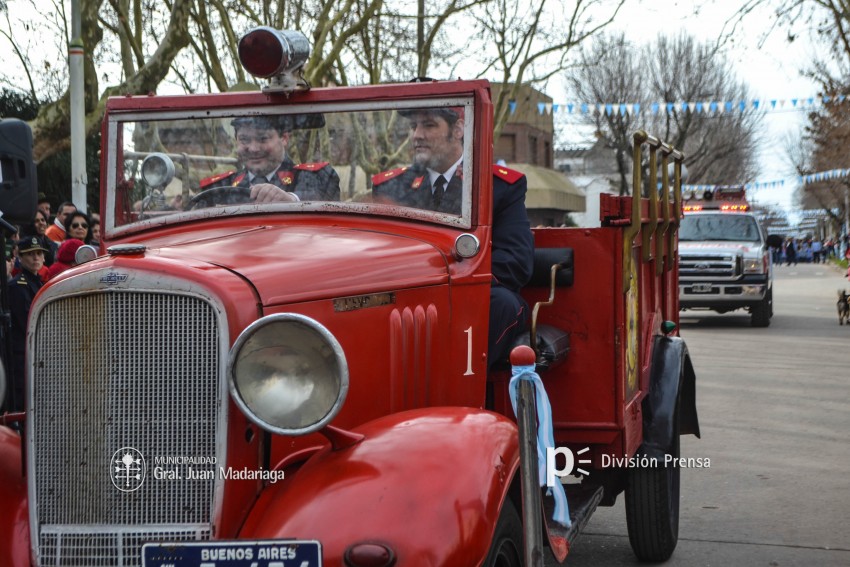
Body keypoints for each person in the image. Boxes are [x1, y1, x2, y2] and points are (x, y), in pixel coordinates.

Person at [373, 106, 534, 369]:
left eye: (429, 125)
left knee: (502, 304)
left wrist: (449, 281)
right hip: (408, 297)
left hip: (466, 295)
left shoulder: (498, 186)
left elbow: (516, 261)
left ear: (458, 130)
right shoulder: (392, 186)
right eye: (414, 127)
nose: (417, 135)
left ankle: (453, 388)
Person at [199, 116, 340, 203]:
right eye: (244, 140)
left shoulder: (318, 177)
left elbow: (323, 197)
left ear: (284, 138)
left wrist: (291, 200)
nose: (253, 148)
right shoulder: (218, 187)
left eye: (263, 139)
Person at [8, 236, 47, 412]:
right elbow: (28, 323)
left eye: (39, 253)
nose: (36, 258)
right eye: (30, 254)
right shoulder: (17, 286)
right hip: (23, 355)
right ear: (20, 258)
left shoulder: (39, 283)